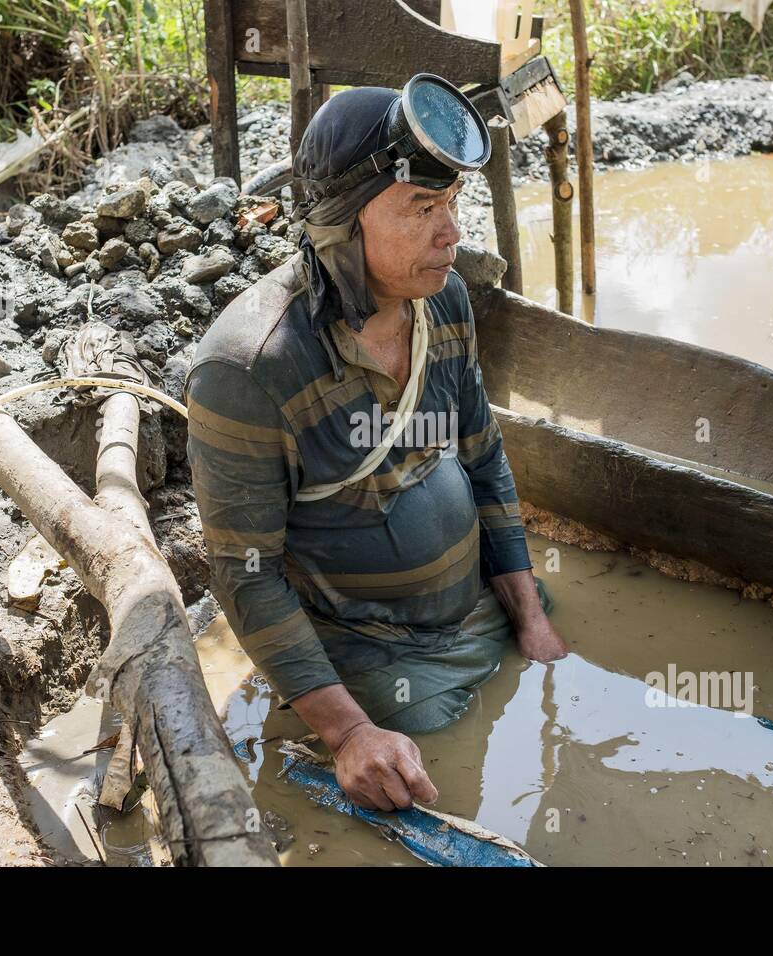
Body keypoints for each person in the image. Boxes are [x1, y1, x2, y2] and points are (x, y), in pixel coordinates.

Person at [184, 76, 566, 814]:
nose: (450, 232)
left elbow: (483, 457)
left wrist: (530, 617)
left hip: (474, 612)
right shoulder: (249, 368)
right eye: (423, 208)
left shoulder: (443, 298)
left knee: (530, 677)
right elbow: (245, 576)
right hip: (368, 651)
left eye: (452, 203)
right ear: (344, 224)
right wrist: (351, 733)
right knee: (424, 754)